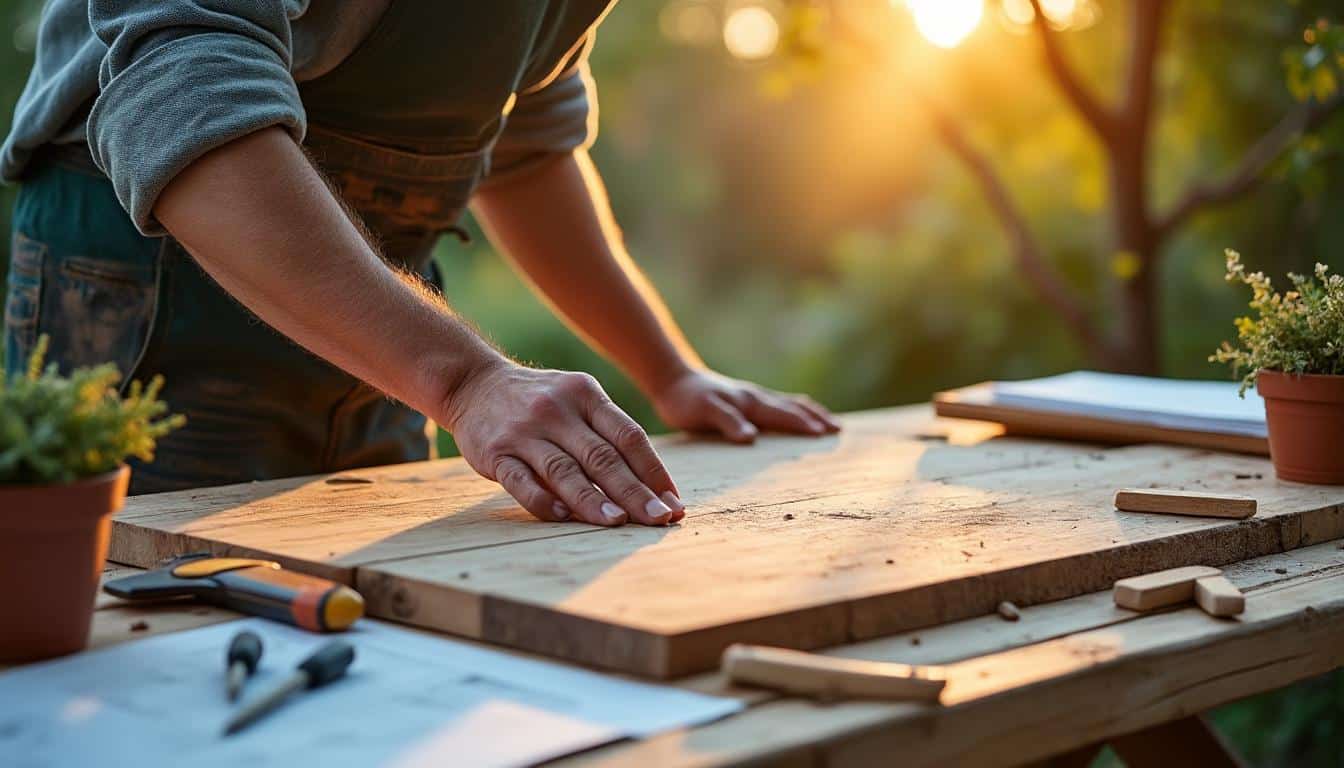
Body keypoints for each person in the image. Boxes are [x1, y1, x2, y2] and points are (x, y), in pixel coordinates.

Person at [1, 2, 840, 527]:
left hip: (390, 336)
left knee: (381, 651)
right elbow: (183, 97)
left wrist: (670, 373)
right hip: (153, 289)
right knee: (160, 658)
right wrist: (468, 381)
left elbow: (526, 139)